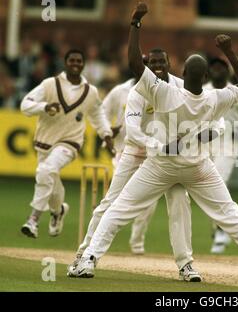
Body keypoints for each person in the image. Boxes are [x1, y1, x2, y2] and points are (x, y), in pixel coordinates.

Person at [73, 2, 238, 285]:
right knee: (231, 216)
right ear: (205, 78)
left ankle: (89, 259)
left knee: (120, 210)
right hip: (198, 168)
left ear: (182, 74)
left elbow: (133, 63)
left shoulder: (165, 93)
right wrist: (228, 52)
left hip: (162, 165)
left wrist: (136, 23)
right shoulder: (215, 98)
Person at [67, 48, 201, 282]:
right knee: (110, 202)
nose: (158, 65)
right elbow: (133, 131)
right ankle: (83, 255)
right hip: (137, 151)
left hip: (169, 157)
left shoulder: (181, 87)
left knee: (180, 202)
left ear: (170, 63)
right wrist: (157, 146)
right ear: (147, 65)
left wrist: (184, 141)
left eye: (162, 61)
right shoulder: (136, 90)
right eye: (153, 62)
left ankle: (186, 265)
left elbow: (197, 115)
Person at [20, 49, 115, 239]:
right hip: (45, 142)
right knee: (50, 177)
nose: (76, 64)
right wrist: (44, 107)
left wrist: (106, 134)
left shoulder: (90, 91)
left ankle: (33, 219)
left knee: (45, 171)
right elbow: (25, 105)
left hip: (70, 142)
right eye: (72, 60)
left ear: (84, 64)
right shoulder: (50, 84)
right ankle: (58, 211)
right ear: (65, 62)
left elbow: (97, 114)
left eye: (79, 61)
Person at [204, 57, 238, 254]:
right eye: (214, 67)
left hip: (228, 144)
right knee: (208, 188)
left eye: (221, 67)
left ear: (228, 72)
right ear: (209, 71)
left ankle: (220, 230)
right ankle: (222, 228)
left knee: (216, 181)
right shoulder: (204, 91)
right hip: (205, 144)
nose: (218, 71)